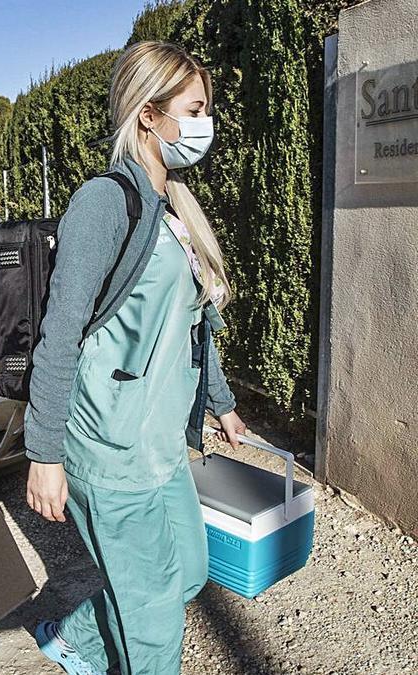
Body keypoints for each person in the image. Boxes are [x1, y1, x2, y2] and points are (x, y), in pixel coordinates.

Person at [22, 42, 248, 675]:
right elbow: (60, 332)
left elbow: (196, 322)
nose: (206, 124)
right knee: (153, 630)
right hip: (110, 448)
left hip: (160, 448)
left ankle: (75, 641)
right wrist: (44, 456)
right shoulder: (105, 200)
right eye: (195, 109)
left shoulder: (176, 204)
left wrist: (222, 404)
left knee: (189, 574)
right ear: (149, 114)